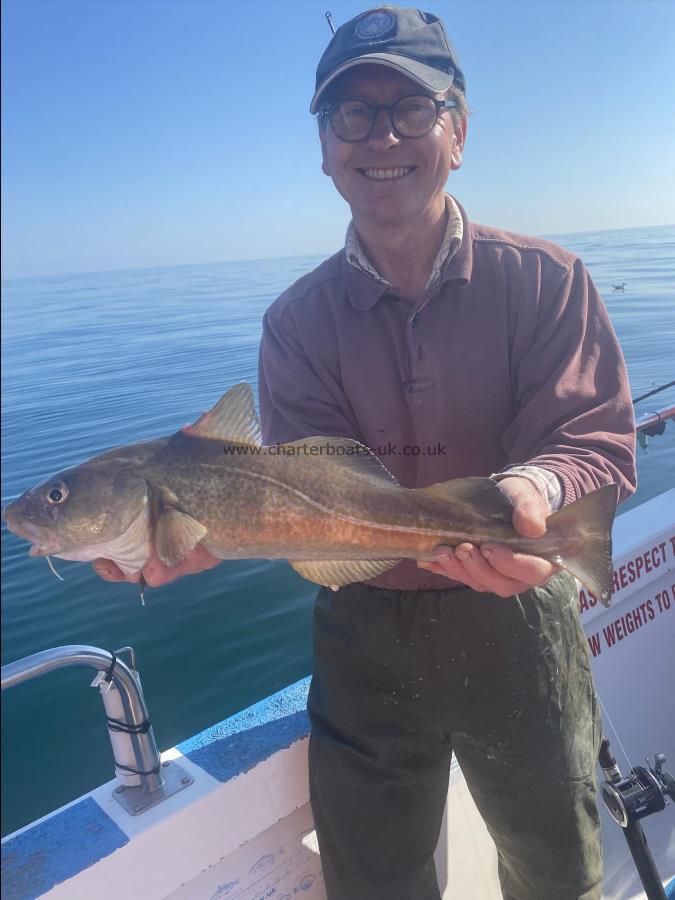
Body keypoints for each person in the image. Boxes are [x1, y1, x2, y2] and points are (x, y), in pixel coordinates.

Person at [94, 7, 637, 898]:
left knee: (556, 867)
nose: (380, 134)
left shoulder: (547, 278)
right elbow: (308, 492)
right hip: (364, 629)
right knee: (373, 880)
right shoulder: (294, 323)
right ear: (323, 147)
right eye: (352, 112)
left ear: (456, 132)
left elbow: (594, 437)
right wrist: (207, 539)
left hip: (518, 608)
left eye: (410, 108)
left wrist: (533, 487)